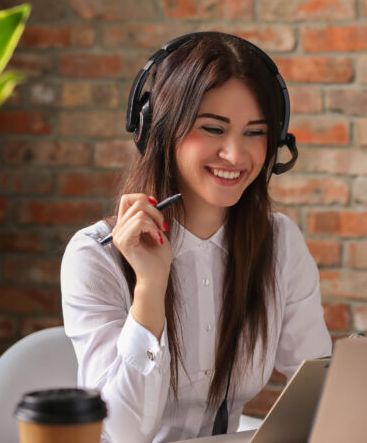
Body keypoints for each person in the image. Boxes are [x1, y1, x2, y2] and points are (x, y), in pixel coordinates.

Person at [59, 32, 332, 442]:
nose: (237, 155)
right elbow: (120, 434)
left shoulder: (279, 243)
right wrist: (150, 287)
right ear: (158, 128)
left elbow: (320, 388)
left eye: (255, 133)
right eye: (213, 129)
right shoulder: (93, 257)